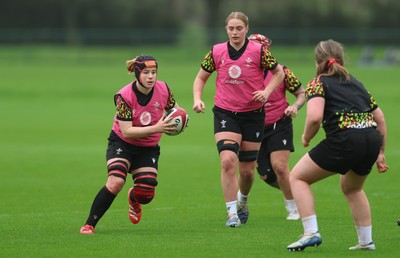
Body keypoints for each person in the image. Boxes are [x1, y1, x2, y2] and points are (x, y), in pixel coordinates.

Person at [286, 39, 389, 251]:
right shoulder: (356, 82)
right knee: (352, 187)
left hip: (346, 140)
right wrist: (380, 152)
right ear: (341, 60)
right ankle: (366, 242)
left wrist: (306, 137)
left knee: (297, 177)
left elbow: (314, 117)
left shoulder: (318, 82)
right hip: (370, 139)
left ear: (317, 61)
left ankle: (310, 232)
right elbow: (380, 117)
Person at [192, 11, 285, 227]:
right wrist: (197, 99)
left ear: (246, 30)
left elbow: (279, 73)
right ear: (226, 29)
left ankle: (243, 200)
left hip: (253, 115)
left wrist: (267, 92)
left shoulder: (259, 51)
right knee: (227, 161)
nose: (235, 32)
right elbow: (200, 77)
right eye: (231, 28)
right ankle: (232, 213)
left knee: (247, 171)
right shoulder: (216, 51)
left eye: (239, 28)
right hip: (225, 113)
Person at [80, 54, 181, 234]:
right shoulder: (124, 96)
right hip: (122, 143)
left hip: (148, 148)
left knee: (146, 194)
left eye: (154, 72)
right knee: (115, 182)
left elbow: (175, 110)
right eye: (146, 73)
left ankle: (134, 198)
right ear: (137, 74)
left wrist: (180, 120)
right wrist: (157, 127)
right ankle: (89, 224)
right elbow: (127, 131)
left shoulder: (164, 89)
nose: (151, 77)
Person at [248, 34, 305, 221]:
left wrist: (294, 106)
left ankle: (293, 207)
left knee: (280, 167)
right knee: (266, 175)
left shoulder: (282, 72)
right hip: (253, 126)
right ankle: (298, 186)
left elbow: (301, 93)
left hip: (279, 123)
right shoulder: (243, 73)